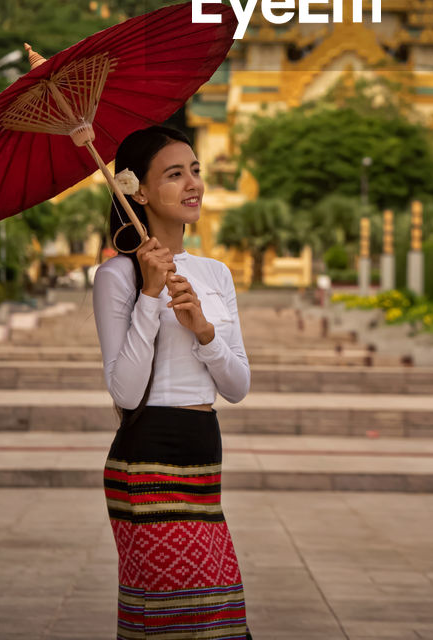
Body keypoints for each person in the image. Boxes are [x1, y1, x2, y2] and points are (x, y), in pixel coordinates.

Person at [92, 124, 253, 640]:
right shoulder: (117, 276)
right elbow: (124, 391)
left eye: (196, 171)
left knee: (217, 616)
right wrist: (150, 294)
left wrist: (204, 332)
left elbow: (237, 385)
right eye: (175, 174)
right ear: (137, 191)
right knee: (172, 621)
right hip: (147, 458)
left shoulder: (217, 274)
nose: (194, 184)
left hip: (204, 456)